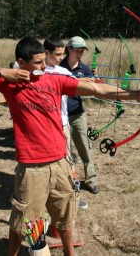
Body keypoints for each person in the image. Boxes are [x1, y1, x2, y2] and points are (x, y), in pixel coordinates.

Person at [0, 37, 140, 256]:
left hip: (61, 162)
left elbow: (96, 89)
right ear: (21, 62)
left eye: (45, 60)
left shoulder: (54, 80)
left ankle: (69, 254)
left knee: (64, 217)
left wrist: (136, 94)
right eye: (38, 63)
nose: (45, 66)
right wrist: (4, 72)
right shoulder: (9, 83)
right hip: (32, 167)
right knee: (25, 220)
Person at [43, 36, 88, 210]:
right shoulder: (30, 70)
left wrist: (134, 94)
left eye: (62, 54)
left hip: (62, 123)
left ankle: (72, 196)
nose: (61, 58)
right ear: (46, 53)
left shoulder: (63, 72)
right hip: (43, 125)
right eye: (57, 55)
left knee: (67, 160)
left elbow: (90, 85)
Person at [60, 36, 100, 194]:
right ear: (68, 49)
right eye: (77, 50)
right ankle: (69, 181)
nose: (79, 53)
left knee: (84, 147)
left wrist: (92, 82)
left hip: (77, 114)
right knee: (65, 150)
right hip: (61, 115)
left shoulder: (85, 68)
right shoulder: (59, 66)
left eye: (82, 50)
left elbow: (92, 90)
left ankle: (91, 180)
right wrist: (79, 80)